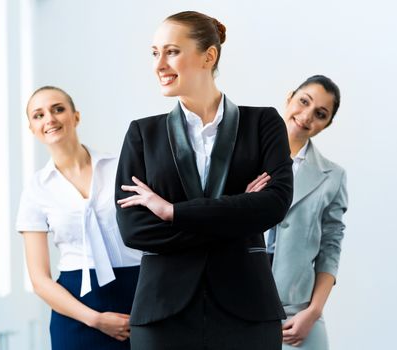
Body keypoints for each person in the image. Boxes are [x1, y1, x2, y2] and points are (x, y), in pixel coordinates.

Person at [114, 10, 294, 350]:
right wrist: (237, 213)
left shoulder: (264, 124)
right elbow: (134, 229)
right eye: (155, 53)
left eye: (172, 51)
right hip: (163, 314)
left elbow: (273, 205)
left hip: (247, 310)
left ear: (208, 55)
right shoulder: (143, 134)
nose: (159, 64)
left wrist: (173, 212)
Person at [16, 86, 141, 349]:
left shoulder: (120, 166)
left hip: (138, 295)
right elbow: (39, 279)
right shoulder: (36, 189)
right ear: (32, 129)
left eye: (58, 109)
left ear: (76, 117)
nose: (49, 119)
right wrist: (95, 319)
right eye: (38, 115)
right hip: (76, 309)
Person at [267, 75, 348, 349]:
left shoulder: (332, 177)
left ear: (327, 125)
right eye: (303, 101)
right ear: (289, 97)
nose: (306, 116)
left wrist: (312, 312)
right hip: (237, 305)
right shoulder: (243, 156)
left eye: (320, 114)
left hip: (296, 313)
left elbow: (330, 249)